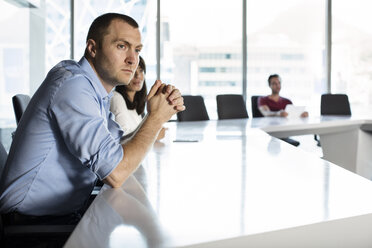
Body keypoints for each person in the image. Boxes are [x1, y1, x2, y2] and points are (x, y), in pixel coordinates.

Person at [0, 13, 184, 224]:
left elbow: (113, 150)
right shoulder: (74, 86)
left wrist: (154, 117)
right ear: (92, 48)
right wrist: (155, 119)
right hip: (32, 225)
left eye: (137, 49)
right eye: (122, 46)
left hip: (58, 214)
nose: (133, 60)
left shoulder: (93, 88)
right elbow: (116, 173)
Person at [110, 56, 166, 140]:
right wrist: (153, 135)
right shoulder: (116, 97)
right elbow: (122, 136)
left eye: (141, 71)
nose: (138, 76)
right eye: (132, 71)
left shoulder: (136, 106)